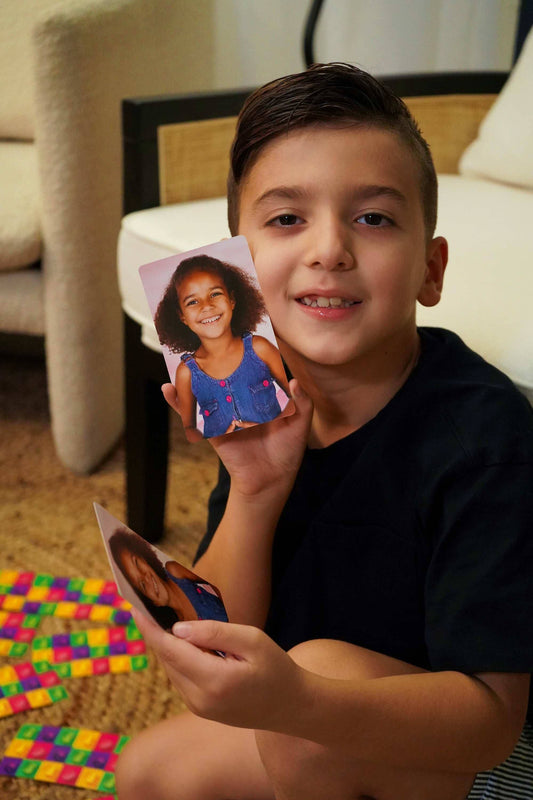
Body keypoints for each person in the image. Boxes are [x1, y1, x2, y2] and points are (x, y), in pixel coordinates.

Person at [115, 63, 533, 800]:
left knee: (308, 722)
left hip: (494, 756)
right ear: (238, 267)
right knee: (148, 772)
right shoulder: (261, 401)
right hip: (333, 720)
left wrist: (299, 704)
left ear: (429, 271)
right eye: (286, 219)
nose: (329, 249)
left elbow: (492, 723)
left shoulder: (487, 437)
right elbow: (218, 648)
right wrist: (254, 484)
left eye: (372, 218)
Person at [154, 253, 292, 440]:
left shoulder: (261, 349)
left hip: (278, 443)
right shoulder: (186, 372)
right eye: (193, 302)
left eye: (215, 294)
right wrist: (219, 441)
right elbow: (191, 431)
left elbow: (296, 401)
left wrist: (270, 429)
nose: (207, 306)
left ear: (232, 300)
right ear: (182, 316)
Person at [109, 527, 227, 629]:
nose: (146, 578)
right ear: (154, 602)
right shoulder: (181, 627)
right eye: (142, 585)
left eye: (137, 563)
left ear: (145, 558)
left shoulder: (174, 570)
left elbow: (215, 582)